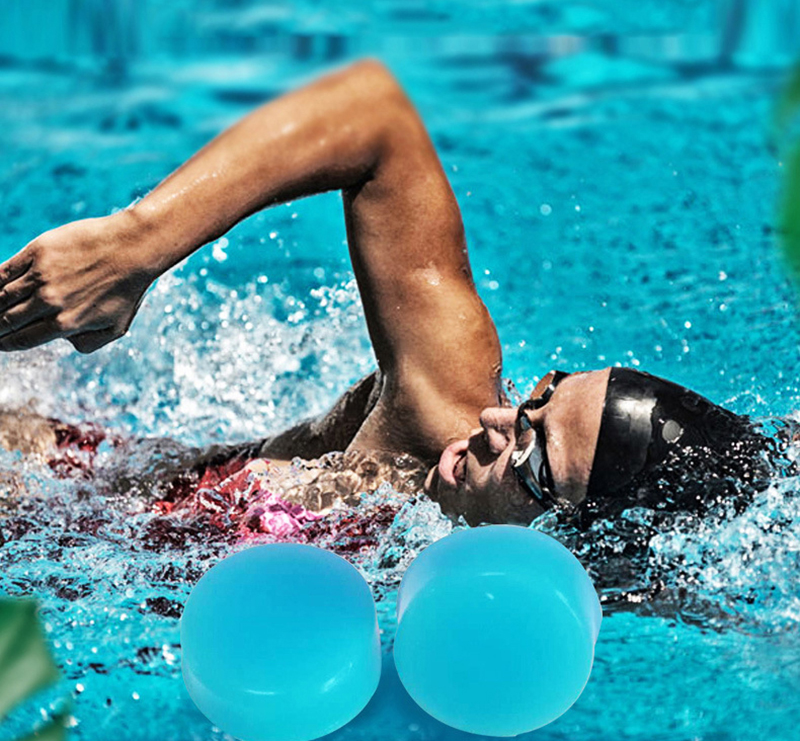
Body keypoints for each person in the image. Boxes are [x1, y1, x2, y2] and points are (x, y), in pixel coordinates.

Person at [0, 60, 778, 528]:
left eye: (534, 458)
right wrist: (134, 246)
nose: (496, 425)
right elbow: (373, 113)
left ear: (580, 535)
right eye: (538, 400)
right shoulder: (440, 413)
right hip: (51, 493)